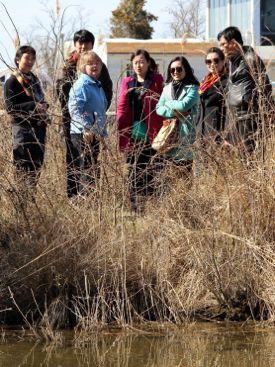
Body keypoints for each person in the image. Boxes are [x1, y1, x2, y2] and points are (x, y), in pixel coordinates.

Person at [56, 29, 113, 196]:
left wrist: (99, 112)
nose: (83, 46)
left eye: (86, 43)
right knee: (73, 158)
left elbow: (107, 91)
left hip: (95, 122)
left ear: (92, 45)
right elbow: (61, 91)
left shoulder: (98, 65)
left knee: (92, 159)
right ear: (75, 45)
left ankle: (92, 196)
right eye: (80, 43)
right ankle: (73, 195)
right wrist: (75, 116)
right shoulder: (68, 65)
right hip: (72, 121)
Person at [116, 49, 164, 211]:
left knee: (151, 167)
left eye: (142, 62)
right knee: (133, 168)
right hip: (133, 131)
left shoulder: (157, 80)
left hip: (153, 131)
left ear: (149, 63)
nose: (139, 65)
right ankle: (135, 205)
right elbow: (122, 107)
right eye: (136, 62)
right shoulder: (127, 82)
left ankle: (151, 204)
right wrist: (120, 127)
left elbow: (161, 102)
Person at [4, 45, 49, 202]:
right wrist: (33, 106)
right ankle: (19, 207)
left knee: (35, 170)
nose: (30, 61)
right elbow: (11, 108)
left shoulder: (35, 80)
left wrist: (44, 106)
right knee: (22, 170)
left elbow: (41, 100)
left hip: (39, 130)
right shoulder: (12, 81)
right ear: (18, 60)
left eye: (32, 58)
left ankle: (30, 204)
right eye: (26, 58)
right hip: (22, 131)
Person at [218, 26, 272, 153]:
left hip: (250, 119)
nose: (221, 48)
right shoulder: (232, 62)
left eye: (223, 44)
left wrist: (266, 117)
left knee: (251, 159)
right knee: (241, 159)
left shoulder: (250, 59)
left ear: (233, 42)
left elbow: (265, 87)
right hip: (237, 119)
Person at [68, 51, 108, 197]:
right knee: (86, 168)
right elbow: (74, 108)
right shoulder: (82, 85)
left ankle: (93, 202)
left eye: (97, 62)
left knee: (92, 168)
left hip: (94, 133)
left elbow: (101, 109)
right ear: (83, 67)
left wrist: (101, 132)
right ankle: (87, 203)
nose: (94, 66)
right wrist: (86, 128)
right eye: (90, 63)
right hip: (83, 134)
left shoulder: (96, 85)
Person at [156, 56, 199, 176]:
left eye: (179, 69)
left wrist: (168, 103)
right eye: (172, 70)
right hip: (169, 137)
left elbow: (184, 105)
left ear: (186, 69)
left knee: (185, 177)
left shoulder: (194, 88)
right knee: (169, 179)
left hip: (187, 136)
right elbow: (158, 108)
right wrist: (172, 112)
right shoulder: (167, 88)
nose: (175, 72)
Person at [197, 47, 227, 144]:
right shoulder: (204, 82)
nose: (212, 64)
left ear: (223, 61)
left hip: (218, 133)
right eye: (208, 61)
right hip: (202, 132)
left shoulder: (227, 82)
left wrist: (225, 134)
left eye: (216, 60)